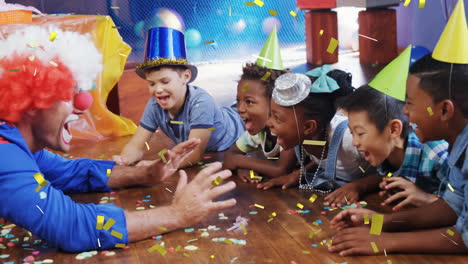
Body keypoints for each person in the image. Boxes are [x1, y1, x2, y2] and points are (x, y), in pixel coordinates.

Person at [0, 26, 237, 252]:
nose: (83, 105)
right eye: (68, 93)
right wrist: (177, 214)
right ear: (32, 100)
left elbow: (70, 172)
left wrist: (146, 173)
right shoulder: (5, 155)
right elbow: (70, 227)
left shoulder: (20, 145)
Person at [329, 54, 468, 256]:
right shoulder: (458, 145)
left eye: (410, 103)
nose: (404, 111)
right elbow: (451, 208)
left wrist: (384, 241)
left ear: (445, 110)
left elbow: (464, 238)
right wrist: (380, 222)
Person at [113, 27, 244, 168]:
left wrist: (156, 166)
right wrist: (124, 159)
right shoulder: (154, 104)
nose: (158, 90)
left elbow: (194, 153)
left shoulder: (201, 102)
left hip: (240, 123)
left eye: (165, 82)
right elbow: (136, 145)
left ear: (185, 77)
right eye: (151, 83)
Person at [328, 85, 449, 211]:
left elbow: (461, 206)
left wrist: (425, 198)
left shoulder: (438, 157)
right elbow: (385, 175)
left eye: (360, 133)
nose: (354, 142)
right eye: (352, 133)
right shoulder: (387, 153)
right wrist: (359, 186)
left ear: (393, 129)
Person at [258, 67, 374, 195]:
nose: (268, 123)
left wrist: (359, 186)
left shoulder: (349, 140)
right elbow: (326, 157)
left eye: (277, 118)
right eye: (270, 115)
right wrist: (298, 175)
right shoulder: (306, 136)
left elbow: (392, 170)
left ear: (308, 127)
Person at [223, 28, 296, 183]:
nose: (240, 109)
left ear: (274, 102)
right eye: (238, 101)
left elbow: (281, 169)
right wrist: (243, 168)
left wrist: (239, 162)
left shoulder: (288, 129)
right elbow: (230, 155)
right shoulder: (258, 133)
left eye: (249, 102)